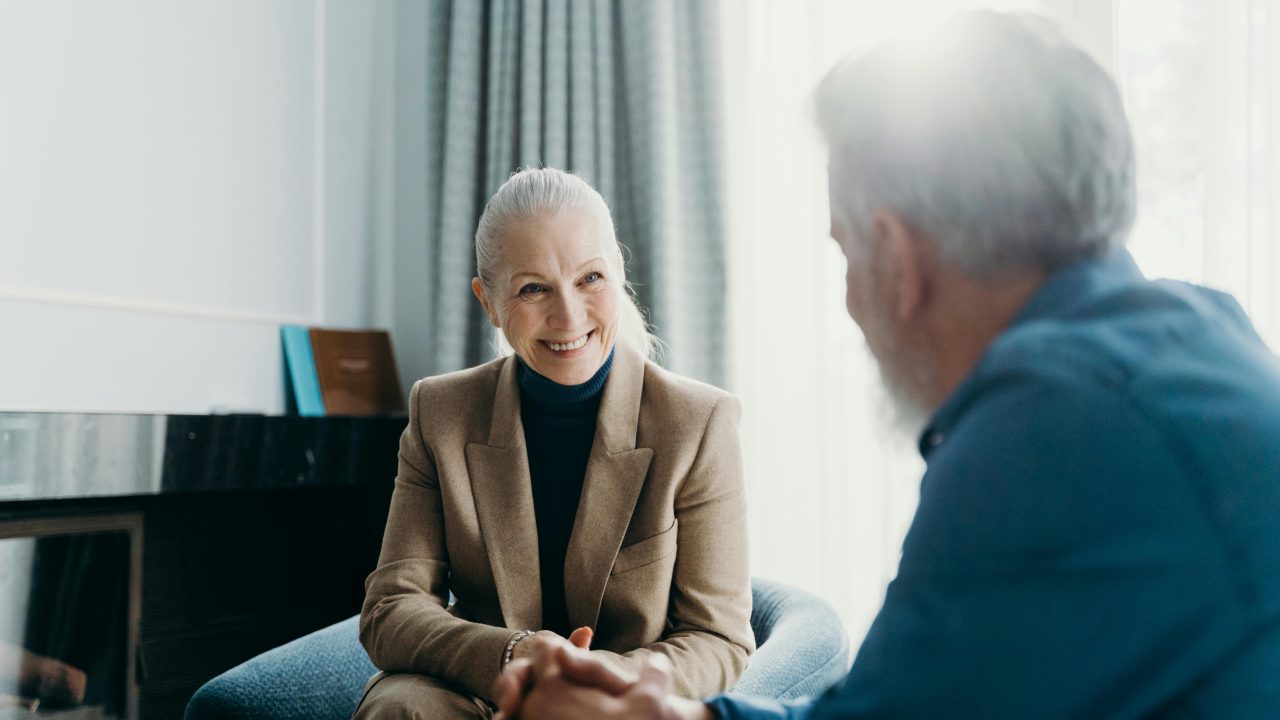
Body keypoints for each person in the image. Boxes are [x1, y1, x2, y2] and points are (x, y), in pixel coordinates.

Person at [492, 10, 1280, 720]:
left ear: (897, 258)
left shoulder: (1054, 425)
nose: (848, 301)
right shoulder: (1196, 337)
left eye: (844, 251)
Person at [353, 168, 755, 719]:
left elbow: (719, 638)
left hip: (618, 703)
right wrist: (515, 656)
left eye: (590, 278)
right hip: (484, 691)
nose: (568, 316)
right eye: (533, 288)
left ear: (618, 273)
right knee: (400, 708)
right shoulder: (439, 413)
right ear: (489, 301)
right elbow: (391, 608)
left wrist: (584, 687)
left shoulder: (699, 422)